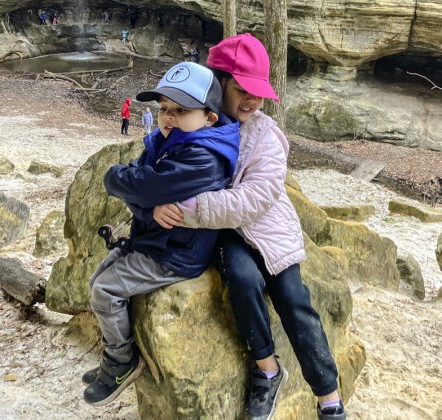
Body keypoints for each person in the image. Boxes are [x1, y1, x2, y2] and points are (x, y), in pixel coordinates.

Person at [153, 34, 346, 420]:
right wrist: (154, 201)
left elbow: (255, 198)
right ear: (218, 82)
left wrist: (187, 209)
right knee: (242, 279)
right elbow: (159, 166)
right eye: (243, 90)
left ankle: (329, 398)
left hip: (267, 230)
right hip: (227, 235)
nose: (252, 101)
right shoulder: (193, 121)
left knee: (295, 302)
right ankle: (267, 369)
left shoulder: (265, 135)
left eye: (258, 93)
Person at [81, 61, 240, 406]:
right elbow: (144, 189)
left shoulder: (202, 156)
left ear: (210, 117)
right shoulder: (166, 139)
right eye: (164, 108)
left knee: (106, 291)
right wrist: (147, 207)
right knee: (97, 280)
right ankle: (114, 352)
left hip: (175, 254)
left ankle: (122, 362)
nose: (168, 117)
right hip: (153, 237)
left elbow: (135, 182)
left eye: (181, 110)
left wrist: (120, 182)